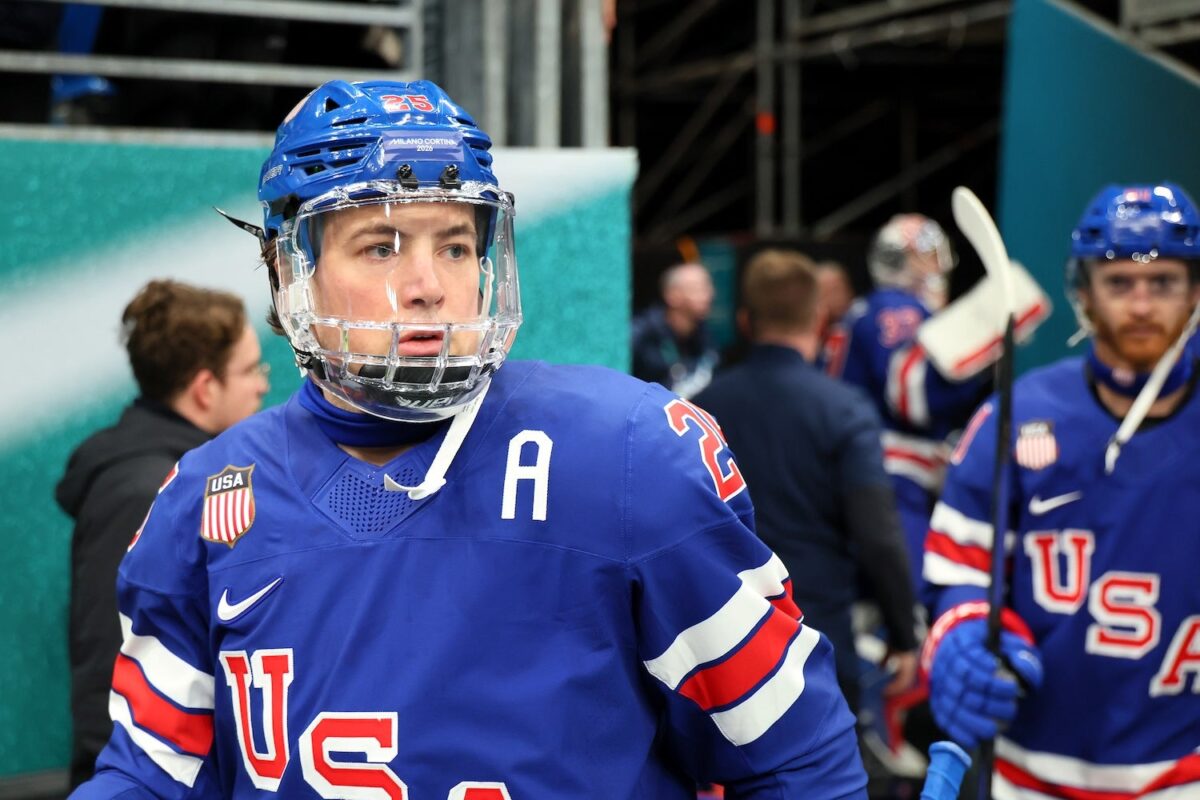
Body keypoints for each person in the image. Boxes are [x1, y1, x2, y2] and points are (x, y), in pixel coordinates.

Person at [70, 79, 866, 799]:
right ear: (289, 271)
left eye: (455, 244)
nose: (430, 286)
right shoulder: (205, 499)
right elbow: (149, 776)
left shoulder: (627, 455)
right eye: (381, 245)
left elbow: (793, 758)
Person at [923, 183, 1200, 798]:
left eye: (1163, 282)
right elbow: (958, 571)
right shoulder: (1019, 413)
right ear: (1085, 292)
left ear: (1195, 291)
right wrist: (964, 634)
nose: (1141, 304)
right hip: (1030, 776)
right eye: (1119, 282)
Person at [56, 279, 269, 788]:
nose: (262, 385)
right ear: (204, 388)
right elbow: (111, 675)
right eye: (249, 370)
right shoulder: (150, 493)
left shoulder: (177, 477)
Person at [694, 248, 919, 721]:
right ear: (819, 319)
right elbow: (877, 536)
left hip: (721, 654)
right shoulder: (845, 410)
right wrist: (904, 635)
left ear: (744, 321)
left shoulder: (700, 410)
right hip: (818, 645)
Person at [824, 214, 1048, 594]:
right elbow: (910, 395)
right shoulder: (896, 308)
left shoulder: (868, 308)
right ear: (900, 260)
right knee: (912, 596)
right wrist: (984, 340)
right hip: (893, 473)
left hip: (865, 468)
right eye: (925, 254)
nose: (936, 265)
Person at [631, 260, 720, 398]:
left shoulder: (705, 336)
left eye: (709, 287)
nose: (709, 295)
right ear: (672, 295)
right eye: (698, 289)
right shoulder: (642, 334)